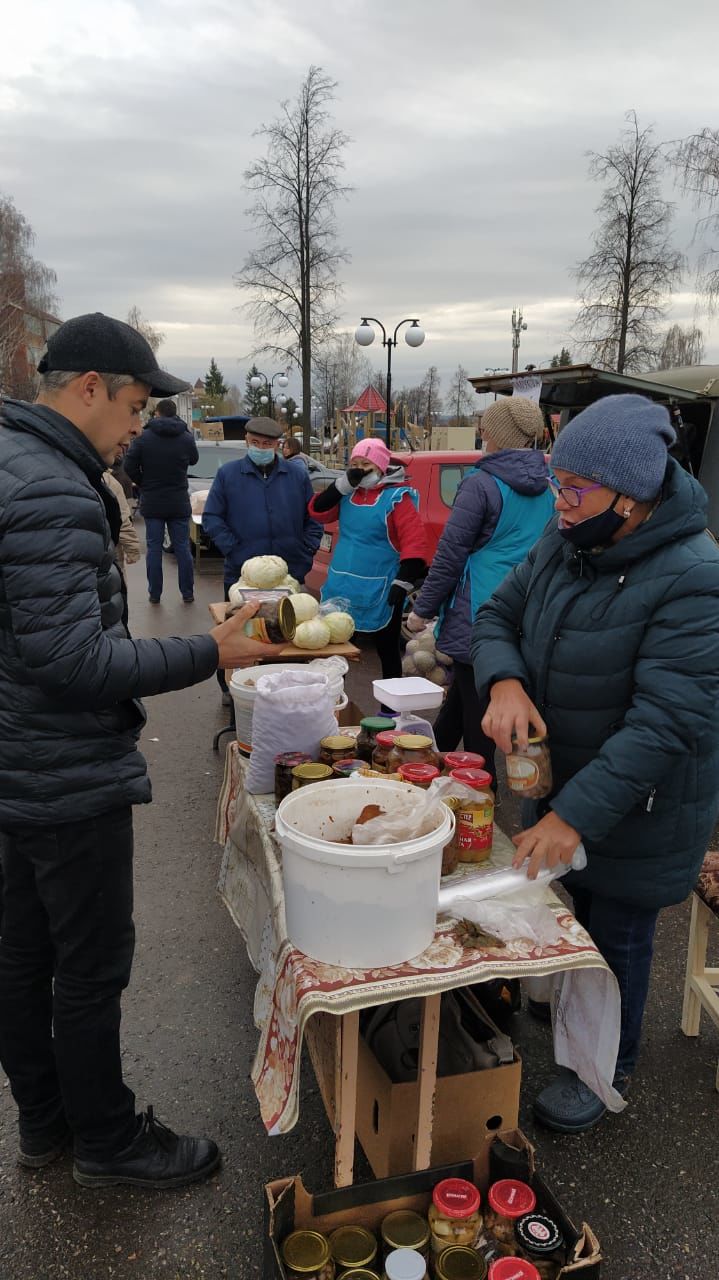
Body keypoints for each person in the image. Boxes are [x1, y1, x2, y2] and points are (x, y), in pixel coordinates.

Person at [0, 312, 284, 1189]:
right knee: (86, 968)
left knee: (21, 957)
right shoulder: (48, 484)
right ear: (87, 388)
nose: (136, 429)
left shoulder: (18, 457)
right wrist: (214, 652)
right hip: (61, 770)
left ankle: (46, 1124)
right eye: (131, 406)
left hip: (16, 762)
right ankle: (109, 1142)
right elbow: (72, 659)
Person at [472, 394, 719, 1132]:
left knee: (617, 932)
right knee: (570, 912)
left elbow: (666, 722)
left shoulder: (694, 575)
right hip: (562, 781)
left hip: (640, 804)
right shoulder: (566, 538)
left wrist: (573, 817)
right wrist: (505, 681)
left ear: (633, 493)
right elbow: (496, 616)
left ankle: (605, 1065)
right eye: (555, 483)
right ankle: (581, 1020)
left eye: (575, 489)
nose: (560, 503)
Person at [407, 397, 553, 781]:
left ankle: (483, 799)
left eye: (486, 429)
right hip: (527, 605)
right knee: (464, 698)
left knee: (479, 720)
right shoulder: (549, 484)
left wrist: (423, 609)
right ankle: (422, 771)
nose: (482, 435)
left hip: (480, 613)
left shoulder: (481, 485)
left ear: (498, 435)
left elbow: (450, 556)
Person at [203, 417, 322, 700]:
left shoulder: (296, 475)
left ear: (278, 445)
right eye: (255, 443)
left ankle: (281, 691)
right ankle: (232, 688)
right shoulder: (229, 474)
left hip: (288, 573)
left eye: (267, 444)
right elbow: (212, 517)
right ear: (247, 441)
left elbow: (314, 519)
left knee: (284, 634)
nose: (260, 448)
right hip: (242, 576)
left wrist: (304, 556)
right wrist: (235, 551)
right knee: (237, 632)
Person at [309, 438, 428, 679]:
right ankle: (333, 702)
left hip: (380, 587)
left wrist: (403, 580)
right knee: (335, 649)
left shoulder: (397, 497)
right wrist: (341, 485)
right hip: (341, 584)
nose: (360, 470)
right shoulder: (346, 494)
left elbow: (414, 542)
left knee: (387, 649)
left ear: (381, 467)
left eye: (366, 464)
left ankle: (390, 709)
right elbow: (318, 511)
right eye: (355, 463)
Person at [124, 398, 198, 604]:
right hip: (178, 500)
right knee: (182, 548)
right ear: (174, 414)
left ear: (157, 413)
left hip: (153, 500)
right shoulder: (185, 437)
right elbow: (194, 459)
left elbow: (129, 465)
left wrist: (144, 482)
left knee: (154, 548)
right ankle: (188, 592)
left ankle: (155, 594)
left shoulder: (143, 437)